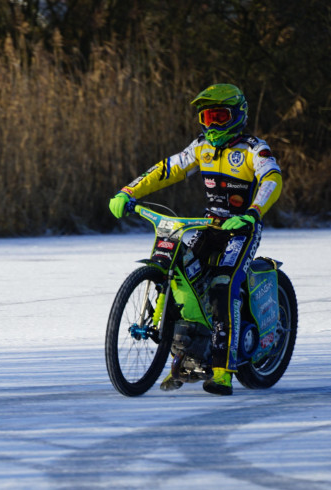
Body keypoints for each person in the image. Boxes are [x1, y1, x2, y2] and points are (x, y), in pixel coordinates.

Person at [108, 83, 282, 396]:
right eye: (206, 117)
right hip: (207, 226)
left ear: (237, 115)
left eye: (219, 116)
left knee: (222, 286)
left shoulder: (253, 148)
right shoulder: (199, 147)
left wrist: (253, 212)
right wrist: (129, 191)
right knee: (184, 277)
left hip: (240, 230)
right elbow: (166, 170)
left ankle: (222, 370)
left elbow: (272, 178)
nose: (211, 125)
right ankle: (183, 357)